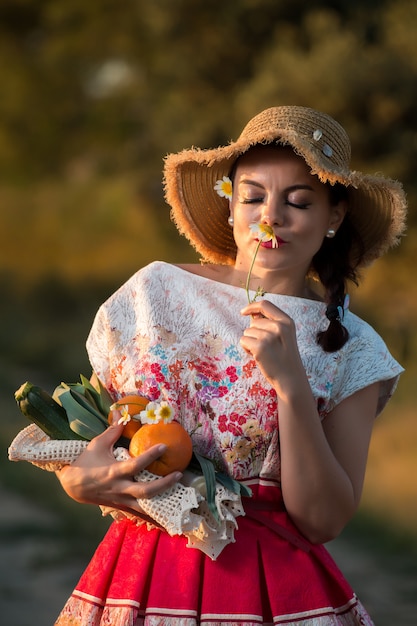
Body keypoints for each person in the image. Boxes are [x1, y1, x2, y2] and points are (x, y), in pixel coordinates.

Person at [24, 106, 409, 625]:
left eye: (298, 201)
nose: (270, 217)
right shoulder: (154, 294)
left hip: (273, 594)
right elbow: (94, 432)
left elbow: (322, 521)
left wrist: (291, 382)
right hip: (138, 580)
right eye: (252, 197)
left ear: (334, 217)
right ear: (230, 208)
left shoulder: (354, 348)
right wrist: (78, 481)